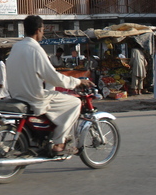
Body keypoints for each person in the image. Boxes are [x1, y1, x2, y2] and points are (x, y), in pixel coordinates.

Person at [6, 15, 96, 156]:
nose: (42, 33)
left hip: (17, 94)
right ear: (38, 30)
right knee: (74, 102)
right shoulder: (36, 49)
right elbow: (53, 77)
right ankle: (59, 143)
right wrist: (77, 81)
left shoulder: (16, 47)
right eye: (42, 30)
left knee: (55, 96)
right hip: (33, 97)